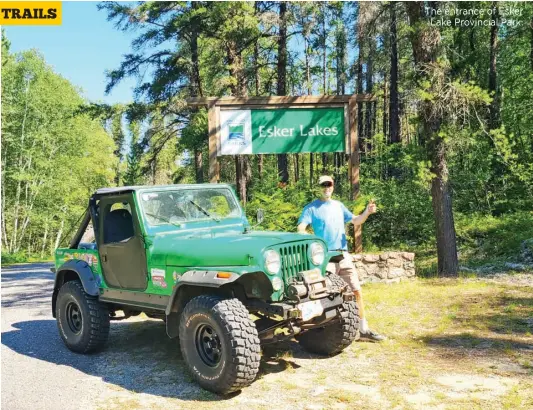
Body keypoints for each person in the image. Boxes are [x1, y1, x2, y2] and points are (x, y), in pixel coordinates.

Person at [297, 175, 385, 342]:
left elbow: (356, 221)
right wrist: (312, 242)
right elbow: (301, 228)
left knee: (356, 291)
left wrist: (367, 211)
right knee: (323, 295)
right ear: (318, 187)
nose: (326, 187)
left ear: (333, 186)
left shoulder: (339, 206)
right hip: (324, 258)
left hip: (343, 255)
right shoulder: (311, 208)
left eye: (329, 184)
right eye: (323, 184)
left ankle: (363, 329)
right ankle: (318, 334)